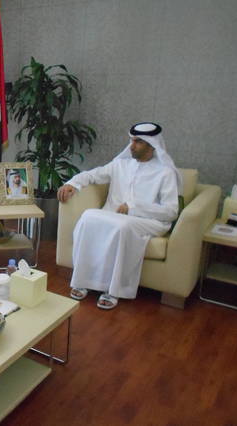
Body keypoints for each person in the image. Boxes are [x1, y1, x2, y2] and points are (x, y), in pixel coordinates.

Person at [57, 123, 181, 310]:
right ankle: (83, 280)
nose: (132, 146)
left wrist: (134, 208)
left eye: (138, 142)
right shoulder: (120, 165)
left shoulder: (165, 172)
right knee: (88, 216)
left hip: (149, 221)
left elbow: (171, 211)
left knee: (122, 227)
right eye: (132, 141)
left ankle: (114, 290)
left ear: (151, 144)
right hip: (113, 216)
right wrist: (73, 183)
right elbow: (93, 175)